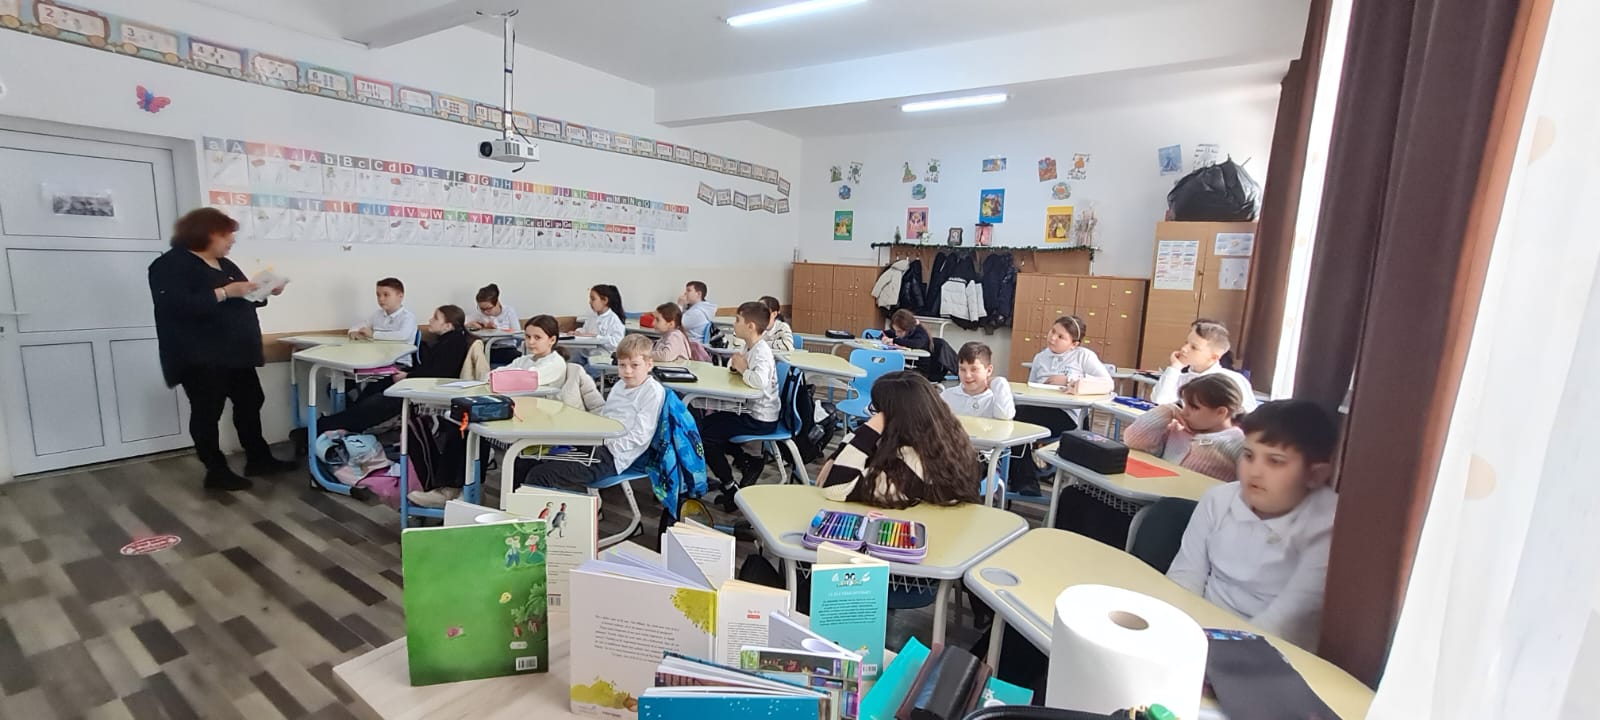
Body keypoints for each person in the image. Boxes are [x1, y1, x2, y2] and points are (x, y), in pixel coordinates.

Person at [1166, 400, 1339, 650]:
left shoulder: (1329, 525)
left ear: (1315, 474)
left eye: (1275, 461)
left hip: (1273, 651)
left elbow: (1285, 621)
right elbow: (1185, 577)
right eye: (1248, 455)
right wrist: (1177, 634)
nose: (1255, 472)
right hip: (1198, 635)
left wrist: (1215, 652)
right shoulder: (1218, 499)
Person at [148, 207, 294, 492]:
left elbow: (245, 296)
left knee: (251, 401)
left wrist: (266, 290)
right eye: (226, 235)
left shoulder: (224, 264)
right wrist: (225, 292)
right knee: (207, 412)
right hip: (199, 356)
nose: (232, 240)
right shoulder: (170, 265)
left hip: (236, 353)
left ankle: (259, 458)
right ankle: (215, 470)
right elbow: (176, 306)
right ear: (207, 233)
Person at [304, 305, 475, 437]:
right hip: (418, 381)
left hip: (425, 389)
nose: (430, 320)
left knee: (376, 403)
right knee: (377, 386)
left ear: (447, 326)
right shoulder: (448, 340)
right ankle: (341, 425)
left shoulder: (453, 344)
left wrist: (408, 376)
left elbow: (438, 374)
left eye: (435, 318)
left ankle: (322, 427)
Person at [818, 371, 979, 509]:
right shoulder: (942, 438)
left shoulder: (910, 467)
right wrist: (837, 455)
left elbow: (835, 488)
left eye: (878, 410)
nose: (874, 416)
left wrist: (870, 430)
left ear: (893, 418)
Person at [522, 335, 664, 488]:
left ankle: (535, 503)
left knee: (540, 475)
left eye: (635, 365)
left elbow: (640, 436)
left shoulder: (652, 392)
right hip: (597, 441)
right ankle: (514, 503)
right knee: (524, 462)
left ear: (649, 365)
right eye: (622, 365)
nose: (627, 371)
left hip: (612, 456)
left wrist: (604, 443)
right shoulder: (620, 385)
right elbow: (606, 416)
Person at [1009, 315, 1112, 494]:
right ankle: (1022, 477)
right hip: (1039, 411)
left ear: (1074, 344)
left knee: (1018, 420)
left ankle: (1025, 479)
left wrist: (1069, 380)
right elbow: (1029, 389)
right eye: (1052, 331)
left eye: (1061, 336)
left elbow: (1107, 383)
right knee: (1013, 419)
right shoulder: (1041, 357)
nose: (1052, 337)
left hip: (1068, 416)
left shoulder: (1083, 356)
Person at [705, 302, 781, 510]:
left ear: (751, 326)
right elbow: (735, 365)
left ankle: (730, 485)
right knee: (705, 426)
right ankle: (746, 460)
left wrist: (743, 369)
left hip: (760, 418)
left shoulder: (761, 351)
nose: (734, 324)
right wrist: (738, 366)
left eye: (737, 320)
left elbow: (759, 382)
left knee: (707, 437)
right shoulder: (748, 346)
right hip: (749, 410)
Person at [1122, 375, 1246, 482]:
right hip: (1157, 493)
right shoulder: (1177, 428)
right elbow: (1134, 440)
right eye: (1184, 405)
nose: (1184, 412)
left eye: (1194, 407)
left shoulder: (1237, 442)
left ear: (1221, 412)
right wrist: (1166, 410)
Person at [1151, 319, 1258, 411]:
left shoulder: (1232, 379)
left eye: (1194, 347)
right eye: (1186, 343)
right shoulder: (1184, 378)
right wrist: (1175, 367)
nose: (1184, 349)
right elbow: (1159, 399)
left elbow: (1249, 414)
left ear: (1213, 357)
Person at [940, 342, 1015, 420]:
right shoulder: (946, 396)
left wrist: (999, 382)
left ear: (989, 370)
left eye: (974, 369)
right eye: (962, 369)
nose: (967, 375)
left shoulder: (995, 398)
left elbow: (1005, 416)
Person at [502, 314, 568, 389]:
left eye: (537, 337)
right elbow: (495, 374)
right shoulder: (524, 360)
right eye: (528, 336)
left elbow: (525, 379)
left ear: (552, 340)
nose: (531, 342)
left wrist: (506, 375)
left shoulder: (555, 363)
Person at [465, 283, 520, 365]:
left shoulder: (509, 312)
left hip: (506, 347)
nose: (485, 312)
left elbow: (518, 334)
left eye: (488, 308)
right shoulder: (479, 314)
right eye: (482, 309)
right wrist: (472, 325)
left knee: (516, 357)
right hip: (488, 348)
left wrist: (495, 329)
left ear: (497, 302)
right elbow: (462, 322)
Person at [349, 277, 417, 343]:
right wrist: (353, 332)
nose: (381, 299)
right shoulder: (377, 315)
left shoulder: (408, 317)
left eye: (386, 295)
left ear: (400, 296)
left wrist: (373, 334)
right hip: (379, 350)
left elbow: (402, 336)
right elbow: (359, 326)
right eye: (378, 295)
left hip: (400, 351)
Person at [574, 284, 625, 355]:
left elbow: (617, 343)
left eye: (593, 299)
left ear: (605, 300)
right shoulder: (592, 316)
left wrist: (597, 337)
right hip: (588, 353)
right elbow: (585, 330)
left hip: (605, 356)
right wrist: (578, 332)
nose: (590, 302)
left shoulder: (613, 319)